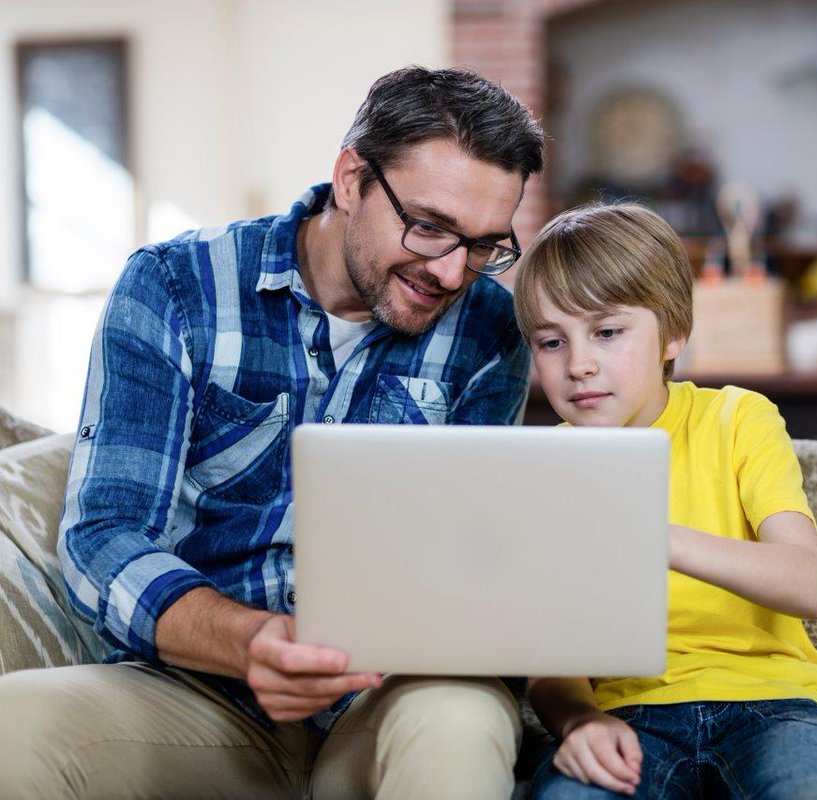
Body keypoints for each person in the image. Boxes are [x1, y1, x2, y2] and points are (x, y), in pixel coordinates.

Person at [0, 66, 544, 799]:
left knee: (458, 720)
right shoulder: (175, 286)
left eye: (482, 245)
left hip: (386, 698)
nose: (452, 272)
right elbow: (104, 535)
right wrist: (249, 643)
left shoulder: (490, 333)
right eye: (430, 226)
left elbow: (480, 556)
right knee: (16, 724)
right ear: (351, 178)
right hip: (201, 698)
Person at [511, 203, 817, 799]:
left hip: (776, 707)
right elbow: (552, 664)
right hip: (629, 717)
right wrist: (579, 722)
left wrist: (654, 536)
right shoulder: (543, 469)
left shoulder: (739, 418)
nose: (578, 365)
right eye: (552, 342)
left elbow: (808, 584)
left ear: (673, 333)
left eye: (607, 332)